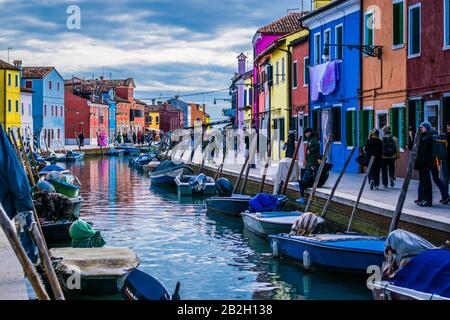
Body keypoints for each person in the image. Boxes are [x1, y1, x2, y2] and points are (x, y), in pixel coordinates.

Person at [296, 128, 320, 205]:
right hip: (309, 163)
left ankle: (302, 197)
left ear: (309, 132)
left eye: (306, 133)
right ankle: (302, 195)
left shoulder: (313, 139)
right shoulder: (311, 139)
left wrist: (310, 150)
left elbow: (317, 146)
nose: (305, 135)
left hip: (311, 164)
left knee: (303, 180)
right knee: (303, 179)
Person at [415, 122, 434, 207]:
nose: (420, 129)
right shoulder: (423, 136)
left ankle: (428, 201)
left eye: (422, 128)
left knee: (427, 183)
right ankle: (424, 199)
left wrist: (417, 136)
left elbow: (422, 144)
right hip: (421, 163)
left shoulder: (428, 137)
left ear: (426, 128)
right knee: (423, 182)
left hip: (426, 163)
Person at [442, 122, 450, 202]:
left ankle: (445, 196)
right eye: (447, 126)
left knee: (445, 179)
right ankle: (445, 196)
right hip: (446, 160)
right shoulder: (445, 136)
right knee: (445, 179)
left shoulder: (445, 136)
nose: (448, 127)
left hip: (446, 160)